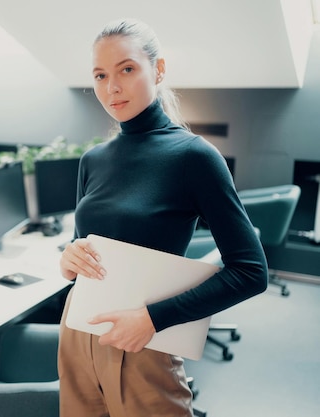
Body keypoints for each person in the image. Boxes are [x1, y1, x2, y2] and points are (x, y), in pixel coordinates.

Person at [57, 18, 268, 416]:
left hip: (144, 344)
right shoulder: (93, 160)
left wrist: (154, 319)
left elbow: (251, 272)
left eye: (127, 69)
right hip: (76, 334)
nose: (112, 87)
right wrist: (69, 259)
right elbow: (82, 245)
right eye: (100, 75)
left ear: (159, 70)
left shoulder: (194, 157)